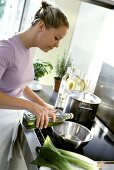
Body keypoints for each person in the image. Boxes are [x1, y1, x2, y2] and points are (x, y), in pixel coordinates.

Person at [0, 1, 69, 169]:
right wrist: (30, 106)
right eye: (56, 38)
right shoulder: (5, 49)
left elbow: (20, 85)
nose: (57, 44)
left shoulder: (31, 48)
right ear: (41, 26)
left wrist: (42, 104)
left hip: (9, 120)